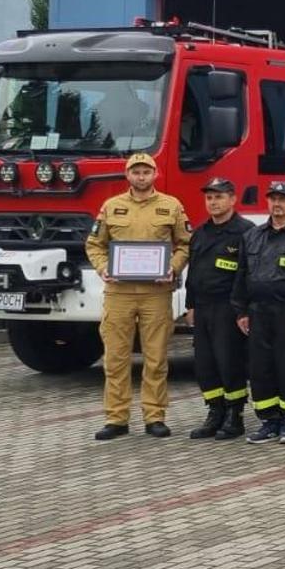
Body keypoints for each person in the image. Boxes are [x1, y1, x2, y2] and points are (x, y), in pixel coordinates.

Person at [85, 153, 193, 440]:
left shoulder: (171, 206)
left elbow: (185, 243)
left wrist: (172, 268)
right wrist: (103, 267)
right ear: (127, 175)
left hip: (156, 294)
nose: (141, 176)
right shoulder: (112, 206)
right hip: (119, 294)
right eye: (136, 172)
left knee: (156, 358)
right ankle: (116, 418)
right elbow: (95, 244)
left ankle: (154, 416)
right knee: (115, 359)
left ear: (155, 174)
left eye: (146, 172)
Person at [233, 181, 285, 445]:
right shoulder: (253, 235)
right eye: (273, 199)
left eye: (283, 199)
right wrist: (241, 311)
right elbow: (241, 276)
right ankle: (268, 420)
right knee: (261, 368)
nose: (277, 204)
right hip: (258, 312)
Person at [185, 177, 253, 441]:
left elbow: (246, 275)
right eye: (210, 198)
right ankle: (215, 411)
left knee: (229, 362)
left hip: (228, 307)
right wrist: (190, 305)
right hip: (203, 307)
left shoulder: (245, 232)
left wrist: (242, 310)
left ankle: (234, 416)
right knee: (205, 364)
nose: (213, 202)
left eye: (219, 197)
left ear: (233, 199)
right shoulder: (200, 233)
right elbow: (194, 272)